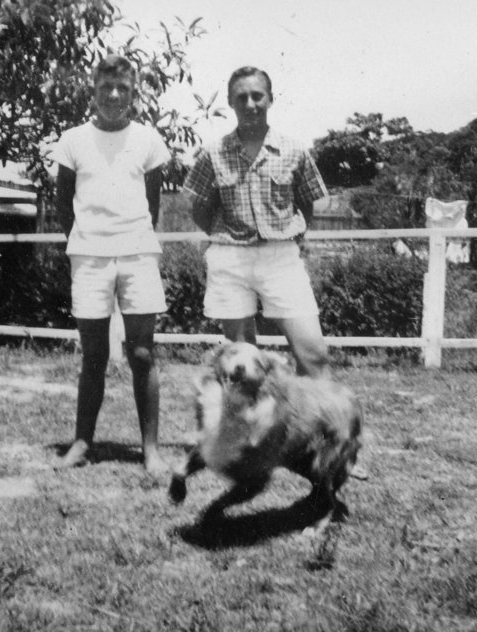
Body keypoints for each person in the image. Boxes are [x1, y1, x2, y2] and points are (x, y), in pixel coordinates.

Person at [183, 65, 369, 479]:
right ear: (230, 103)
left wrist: (285, 234)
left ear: (270, 99)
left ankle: (335, 445)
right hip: (230, 259)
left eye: (257, 96)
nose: (250, 104)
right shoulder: (213, 153)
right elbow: (197, 206)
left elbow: (309, 204)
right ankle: (253, 447)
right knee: (242, 359)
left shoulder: (293, 150)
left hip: (281, 258)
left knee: (313, 353)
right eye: (241, 97)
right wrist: (229, 234)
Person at [52, 54, 171, 474]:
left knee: (142, 353)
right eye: (106, 88)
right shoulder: (72, 140)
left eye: (123, 88)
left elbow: (152, 204)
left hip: (138, 253)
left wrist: (128, 237)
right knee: (94, 355)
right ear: (94, 91)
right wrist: (88, 240)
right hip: (89, 257)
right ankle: (83, 442)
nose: (114, 95)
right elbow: (63, 204)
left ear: (134, 94)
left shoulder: (149, 141)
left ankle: (151, 450)